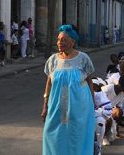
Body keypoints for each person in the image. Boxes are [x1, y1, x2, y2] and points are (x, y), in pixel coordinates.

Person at [41, 24, 95, 155]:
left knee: (76, 134)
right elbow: (49, 83)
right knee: (52, 133)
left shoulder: (83, 59)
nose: (60, 42)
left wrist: (93, 104)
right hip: (56, 105)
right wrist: (45, 105)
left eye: (64, 40)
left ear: (73, 42)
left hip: (79, 105)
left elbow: (90, 82)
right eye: (59, 39)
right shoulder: (53, 60)